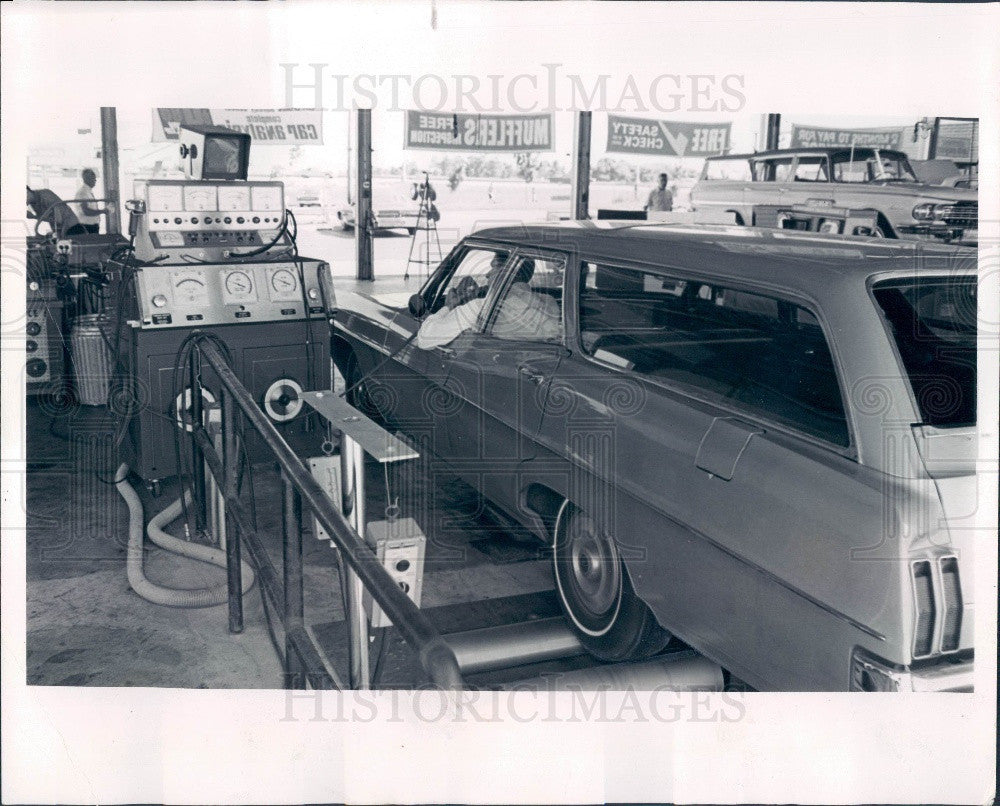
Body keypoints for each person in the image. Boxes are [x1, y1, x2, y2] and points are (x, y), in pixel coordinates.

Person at [416, 252, 560, 349]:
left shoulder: (480, 308)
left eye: (494, 267)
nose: (487, 274)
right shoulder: (550, 302)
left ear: (506, 272)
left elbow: (425, 338)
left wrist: (449, 306)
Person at [73, 169, 104, 234]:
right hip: (87, 227)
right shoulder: (82, 192)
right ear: (87, 178)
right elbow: (86, 211)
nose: (95, 180)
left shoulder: (88, 192)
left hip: (92, 226)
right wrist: (103, 211)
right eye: (93, 178)